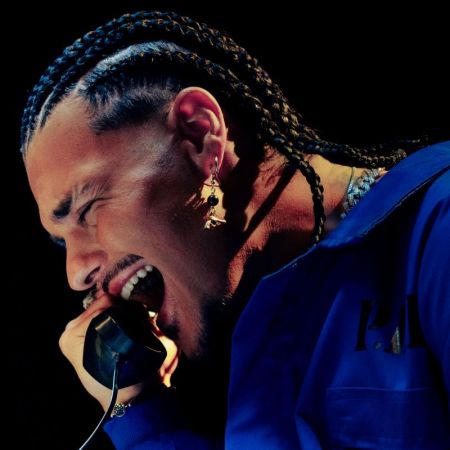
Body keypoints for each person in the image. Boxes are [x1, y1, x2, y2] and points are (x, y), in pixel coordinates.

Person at [21, 10, 449, 449]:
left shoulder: (438, 230)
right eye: (61, 240)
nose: (76, 273)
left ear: (200, 134)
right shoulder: (265, 332)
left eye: (87, 208)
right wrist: (135, 408)